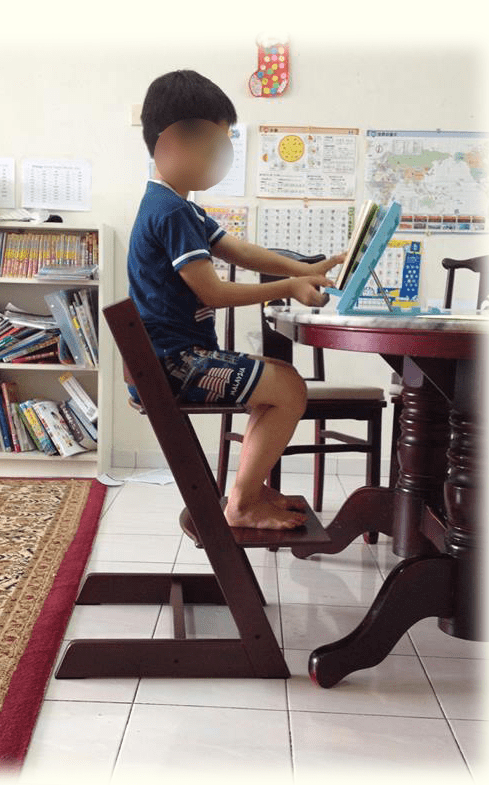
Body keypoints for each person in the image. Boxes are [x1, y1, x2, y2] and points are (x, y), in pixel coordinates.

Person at [128, 69, 346, 530]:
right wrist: (288, 287)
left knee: (283, 380)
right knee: (288, 388)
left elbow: (239, 250)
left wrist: (305, 269)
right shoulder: (171, 211)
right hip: (176, 364)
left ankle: (250, 489)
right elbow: (212, 291)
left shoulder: (179, 207)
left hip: (176, 358)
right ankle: (242, 504)